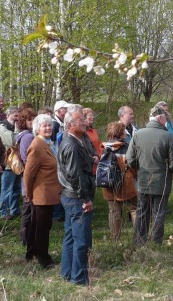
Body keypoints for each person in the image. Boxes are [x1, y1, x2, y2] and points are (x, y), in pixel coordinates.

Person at [127, 105, 173, 246]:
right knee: (159, 213)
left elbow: (130, 159)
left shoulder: (137, 135)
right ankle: (156, 243)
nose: (166, 121)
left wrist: (140, 168)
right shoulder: (169, 137)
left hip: (143, 180)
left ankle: (139, 241)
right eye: (165, 118)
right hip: (162, 181)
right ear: (159, 118)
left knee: (142, 211)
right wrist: (169, 169)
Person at [57, 104, 95, 286]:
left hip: (71, 196)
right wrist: (85, 199)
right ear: (71, 123)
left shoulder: (76, 140)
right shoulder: (71, 145)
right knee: (81, 239)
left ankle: (67, 273)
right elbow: (75, 175)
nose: (85, 122)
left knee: (71, 237)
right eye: (81, 120)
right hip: (76, 198)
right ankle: (78, 278)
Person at [24, 114, 62, 268]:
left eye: (49, 125)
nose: (48, 128)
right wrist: (28, 193)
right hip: (42, 193)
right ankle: (43, 258)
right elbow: (28, 173)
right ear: (37, 129)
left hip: (50, 191)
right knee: (42, 227)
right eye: (44, 126)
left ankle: (31, 252)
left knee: (36, 224)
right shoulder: (37, 146)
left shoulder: (49, 143)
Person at [101, 122, 137, 241]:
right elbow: (132, 165)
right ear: (121, 134)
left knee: (114, 211)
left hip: (109, 183)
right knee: (134, 209)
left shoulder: (105, 148)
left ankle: (115, 239)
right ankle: (139, 238)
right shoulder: (126, 147)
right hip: (127, 183)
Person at [0, 106, 22, 219]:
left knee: (17, 188)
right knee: (7, 189)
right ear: (9, 115)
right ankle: (4, 211)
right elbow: (12, 141)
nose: (17, 118)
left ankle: (14, 209)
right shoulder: (2, 127)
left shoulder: (16, 126)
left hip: (18, 162)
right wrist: (17, 131)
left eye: (19, 116)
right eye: (15, 116)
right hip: (8, 164)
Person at [17, 107, 36, 244]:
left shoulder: (27, 135)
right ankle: (25, 237)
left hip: (28, 177)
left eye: (34, 119)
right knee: (28, 208)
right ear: (24, 121)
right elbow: (27, 158)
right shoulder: (27, 137)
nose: (32, 121)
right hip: (29, 177)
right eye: (29, 119)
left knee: (29, 208)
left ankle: (27, 236)